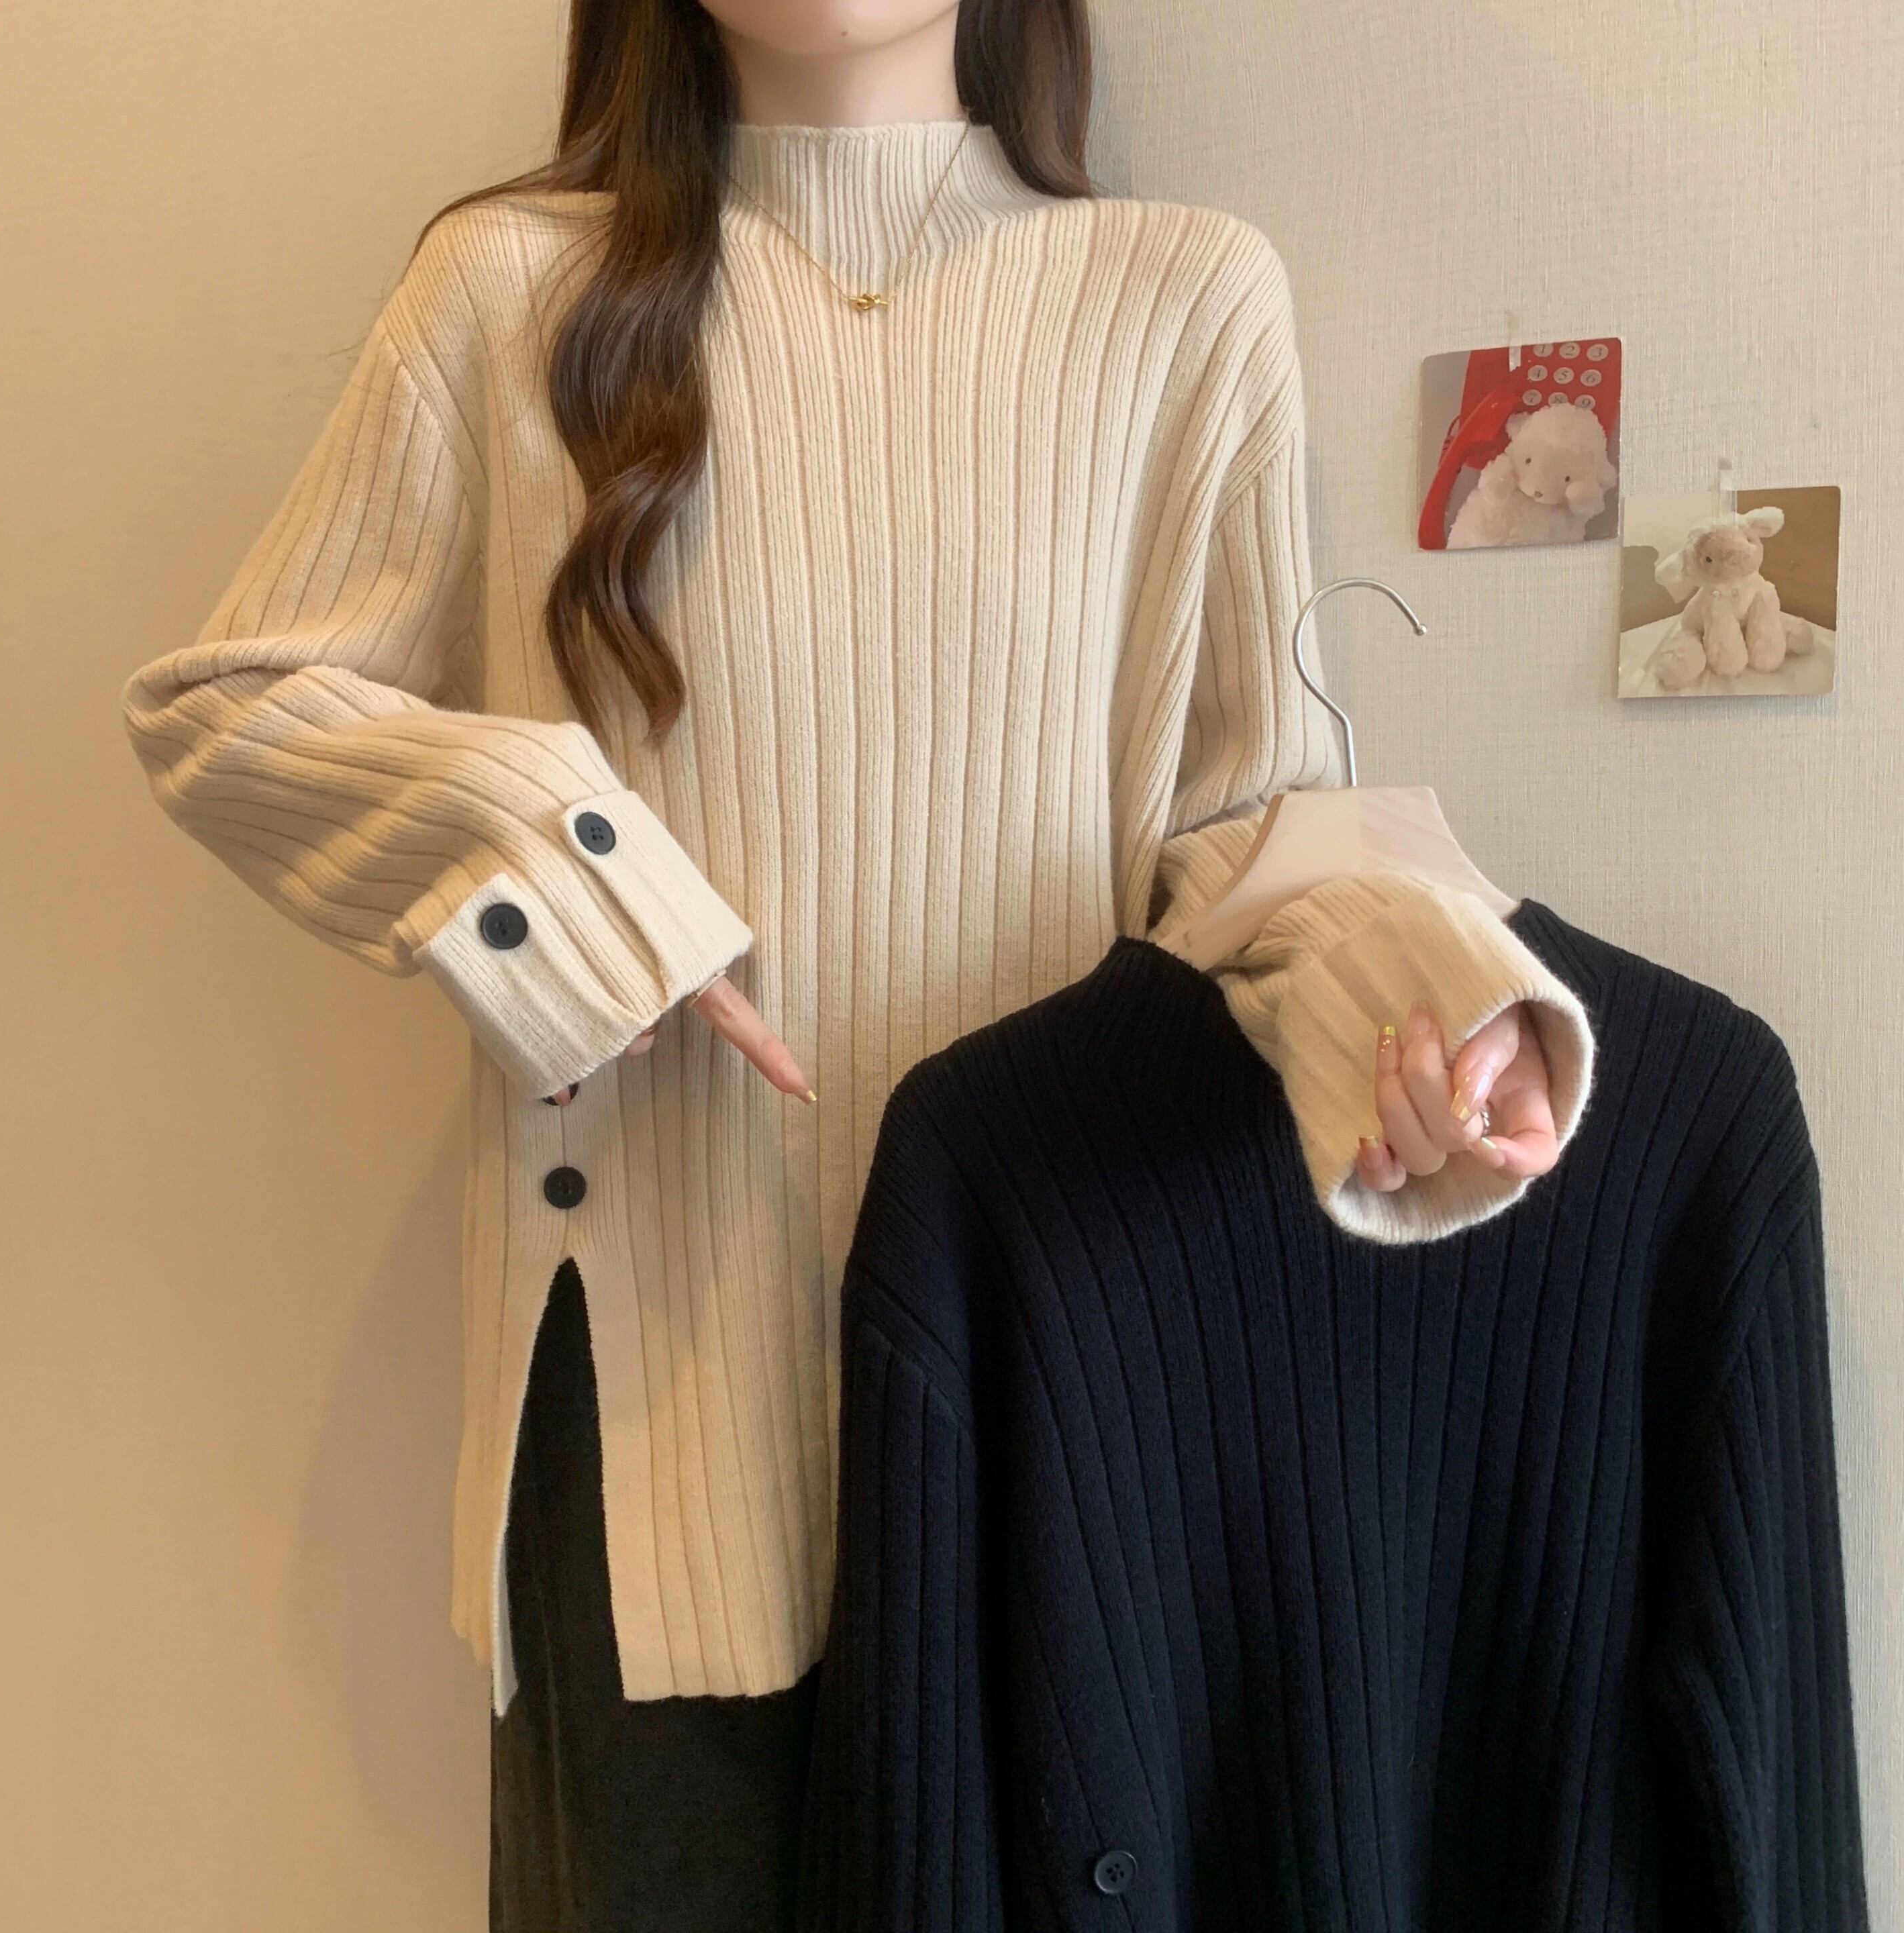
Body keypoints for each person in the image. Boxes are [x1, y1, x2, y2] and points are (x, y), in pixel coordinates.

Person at [121, 1, 1583, 1925]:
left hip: (1061, 1380)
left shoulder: (1182, 296)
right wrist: (594, 896)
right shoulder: (508, 290)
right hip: (657, 1393)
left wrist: (1424, 1014)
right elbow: (236, 708)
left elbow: (1246, 827)